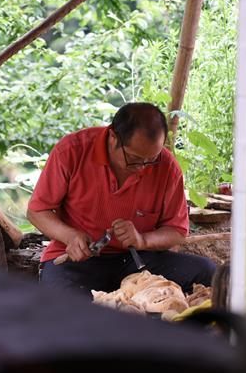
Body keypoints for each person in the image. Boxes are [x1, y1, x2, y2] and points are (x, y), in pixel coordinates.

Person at [27, 102, 216, 295]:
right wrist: (70, 236)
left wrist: (142, 240)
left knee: (207, 273)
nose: (142, 167)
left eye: (151, 159)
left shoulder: (166, 166)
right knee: (66, 305)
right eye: (134, 159)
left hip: (137, 260)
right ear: (112, 137)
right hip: (77, 260)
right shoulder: (72, 151)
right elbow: (37, 211)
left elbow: (176, 231)